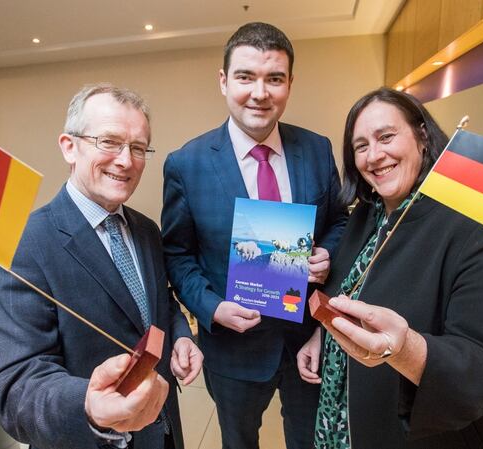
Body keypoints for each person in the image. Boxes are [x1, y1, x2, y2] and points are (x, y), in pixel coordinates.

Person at [296, 87, 483, 449]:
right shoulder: (367, 213)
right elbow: (348, 286)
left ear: (422, 135)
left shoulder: (481, 225)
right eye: (361, 146)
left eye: (386, 137)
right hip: (344, 422)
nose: (374, 155)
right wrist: (323, 334)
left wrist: (405, 349)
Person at [0, 83, 202, 449]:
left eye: (138, 148)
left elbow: (159, 304)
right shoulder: (16, 245)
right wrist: (89, 406)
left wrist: (181, 336)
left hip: (160, 429)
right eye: (109, 142)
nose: (126, 161)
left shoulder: (146, 229)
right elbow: (16, 387)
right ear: (69, 146)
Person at [161, 22, 347, 449]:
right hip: (234, 348)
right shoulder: (186, 164)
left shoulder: (317, 149)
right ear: (224, 81)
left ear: (290, 84)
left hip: (308, 338)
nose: (260, 93)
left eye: (274, 79)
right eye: (246, 77)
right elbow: (177, 254)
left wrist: (326, 253)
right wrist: (212, 308)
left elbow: (339, 222)